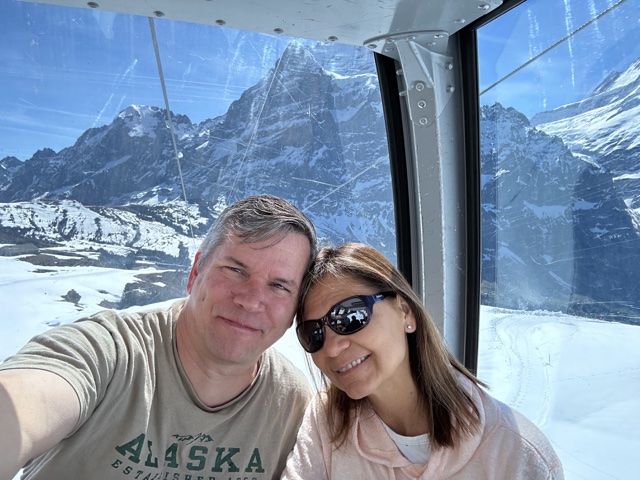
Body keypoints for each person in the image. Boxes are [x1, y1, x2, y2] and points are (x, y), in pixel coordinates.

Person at [0, 194, 317, 480]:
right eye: (235, 270)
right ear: (195, 273)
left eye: (279, 286)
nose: (251, 300)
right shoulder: (109, 354)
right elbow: (26, 402)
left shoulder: (291, 404)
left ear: (295, 309)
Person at [282, 243, 564, 480]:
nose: (332, 348)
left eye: (350, 316)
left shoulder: (517, 454)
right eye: (313, 334)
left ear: (405, 312)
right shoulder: (328, 421)